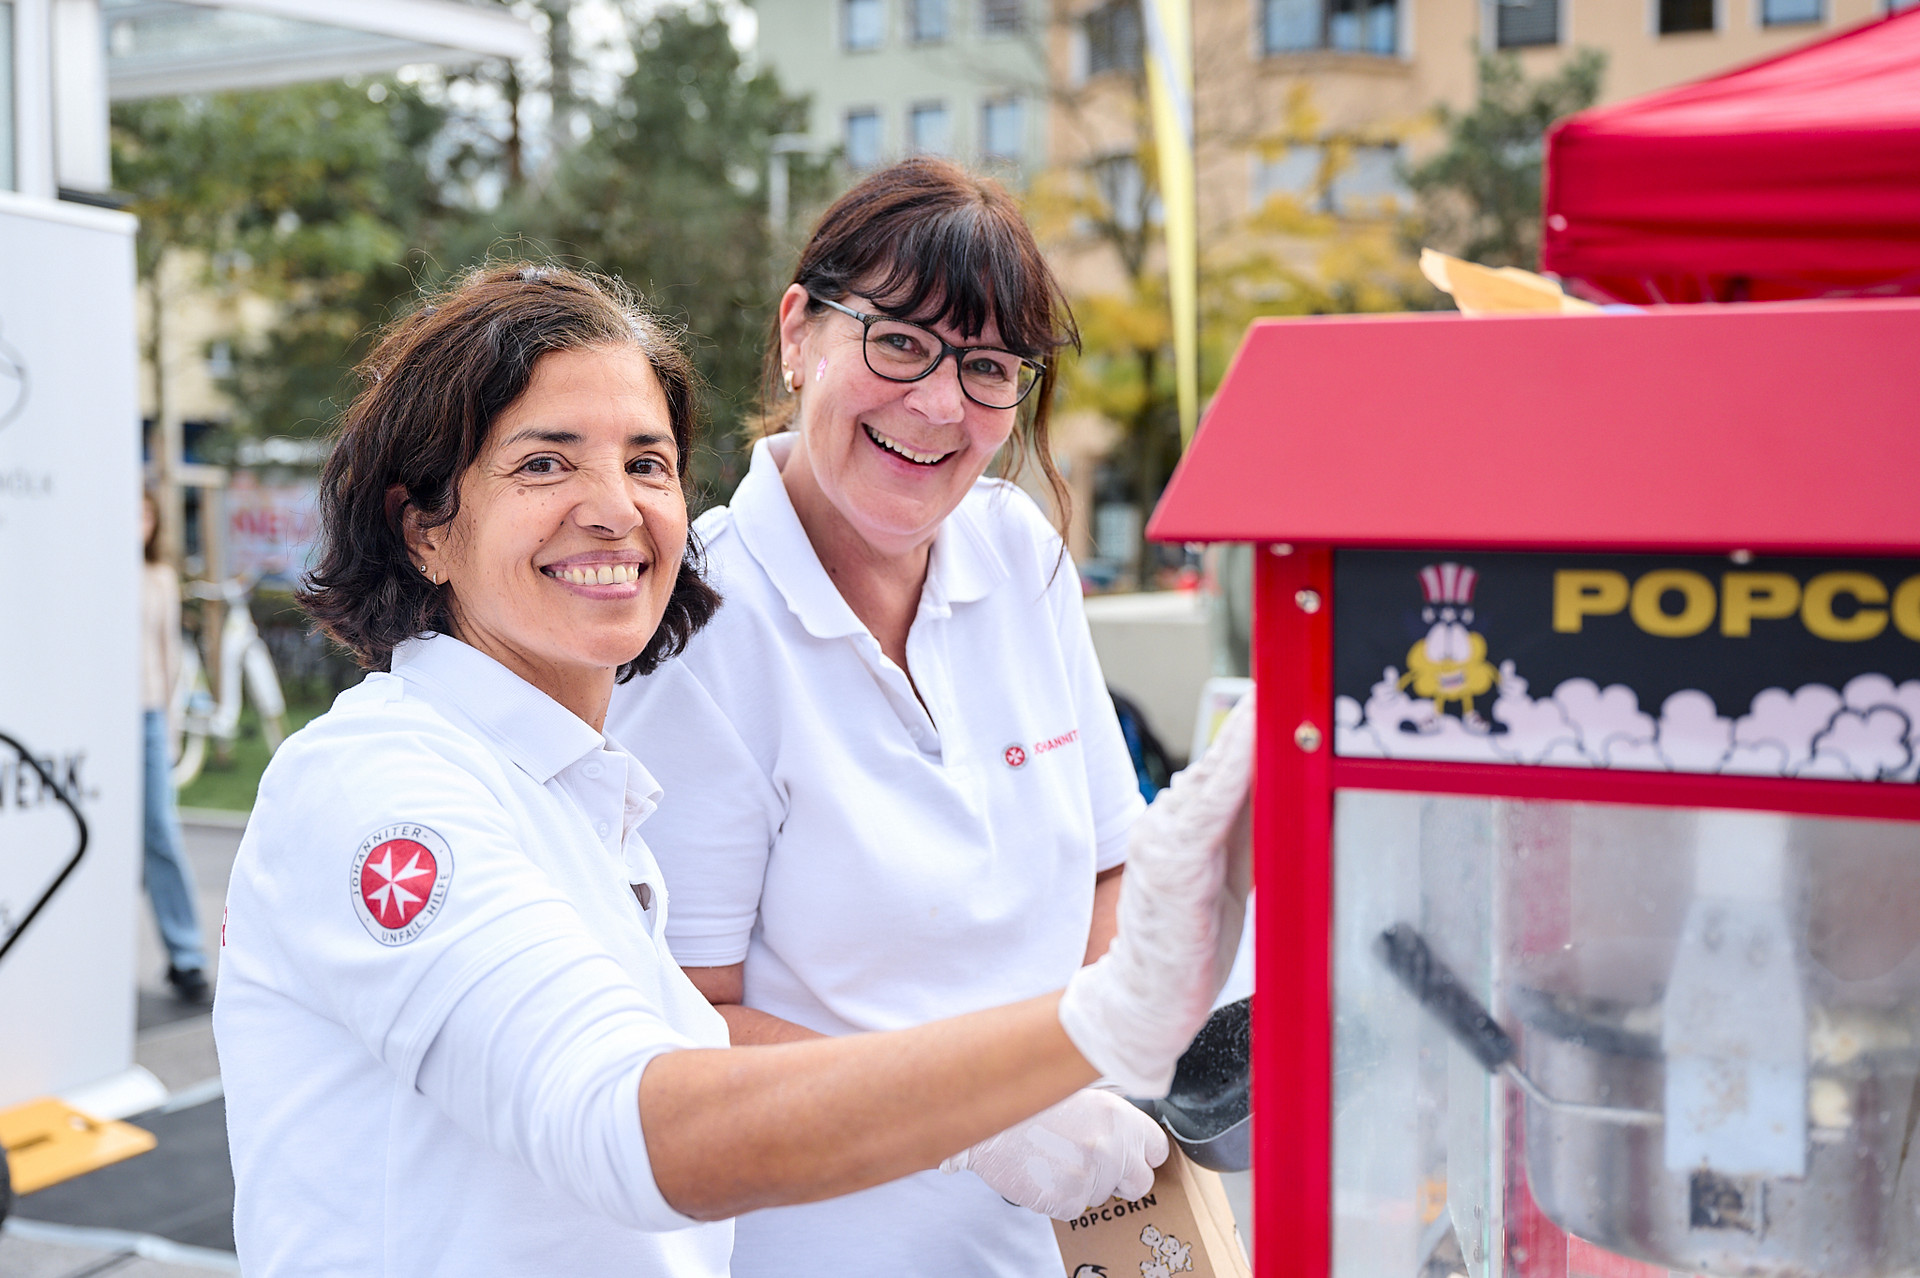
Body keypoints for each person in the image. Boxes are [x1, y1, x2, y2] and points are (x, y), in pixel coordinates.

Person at [212, 262, 1254, 1278]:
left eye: (647, 462)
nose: (614, 507)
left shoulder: (584, 797)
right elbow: (635, 1125)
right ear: (422, 527)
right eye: (544, 462)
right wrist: (1072, 1043)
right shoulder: (378, 787)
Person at [604, 157, 1193, 1275]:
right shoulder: (703, 630)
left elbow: (1112, 867)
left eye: (985, 367)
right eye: (899, 342)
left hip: (1061, 1237)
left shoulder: (1018, 553)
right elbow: (683, 1018)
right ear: (799, 332)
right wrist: (980, 1120)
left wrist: (1093, 1062)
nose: (937, 405)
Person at [140, 490, 209, 1002]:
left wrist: (169, 729)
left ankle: (186, 957)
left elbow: (168, 656)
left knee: (160, 832)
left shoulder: (161, 579)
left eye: (144, 512)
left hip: (145, 717)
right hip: (97, 723)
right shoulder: (88, 571)